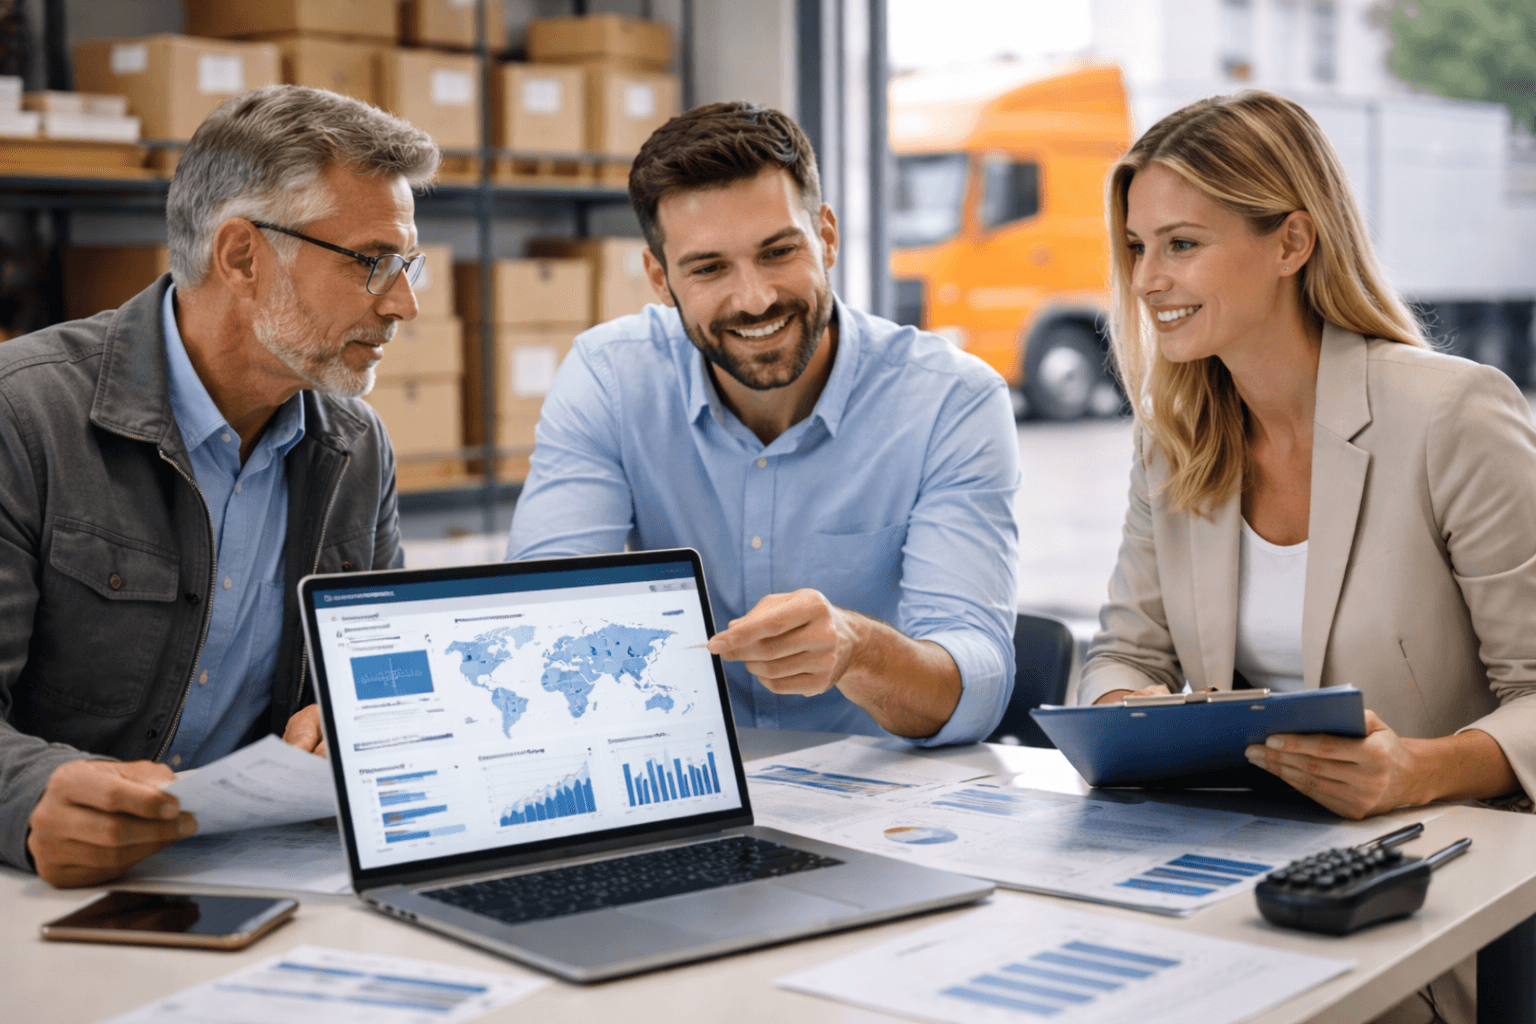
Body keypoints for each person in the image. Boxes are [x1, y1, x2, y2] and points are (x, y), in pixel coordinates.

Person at [1080, 90, 1536, 1023]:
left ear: (1291, 243)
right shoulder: (1174, 442)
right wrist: (1132, 717)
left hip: (1425, 885)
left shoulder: (1454, 416)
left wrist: (1419, 767)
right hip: (1239, 872)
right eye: (1137, 246)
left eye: (1182, 244)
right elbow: (1123, 653)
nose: (1146, 280)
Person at [0, 85, 439, 887]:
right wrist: (25, 796)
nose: (403, 302)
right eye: (374, 262)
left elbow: (388, 674)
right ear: (242, 256)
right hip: (48, 892)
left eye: (409, 264)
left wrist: (355, 722)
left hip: (259, 872)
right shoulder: (22, 417)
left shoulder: (353, 444)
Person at [506, 102, 1020, 745]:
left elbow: (978, 685)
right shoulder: (611, 378)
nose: (754, 298)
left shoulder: (951, 400)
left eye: (778, 252)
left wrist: (857, 650)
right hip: (680, 782)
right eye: (709, 268)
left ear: (826, 237)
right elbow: (540, 618)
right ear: (660, 279)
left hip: (879, 799)